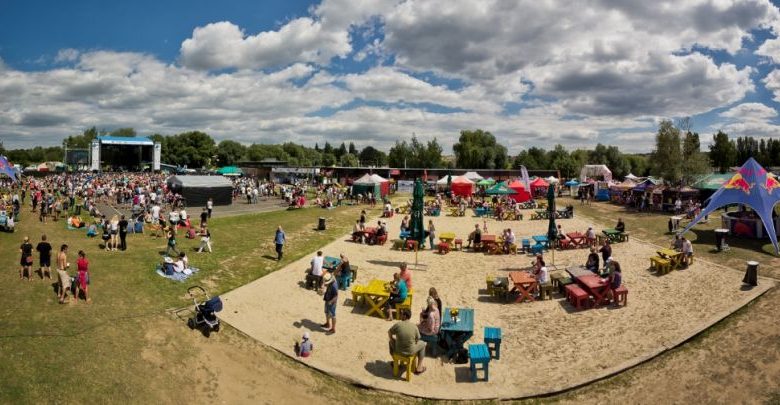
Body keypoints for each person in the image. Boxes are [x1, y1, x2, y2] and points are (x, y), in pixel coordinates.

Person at [388, 309, 427, 375]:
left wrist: (392, 339)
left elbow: (389, 332)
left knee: (390, 342)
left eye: (401, 314)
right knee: (423, 344)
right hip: (410, 351)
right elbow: (418, 339)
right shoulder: (414, 326)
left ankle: (395, 361)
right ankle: (419, 368)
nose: (400, 315)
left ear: (405, 316)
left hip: (398, 350)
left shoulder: (398, 325)